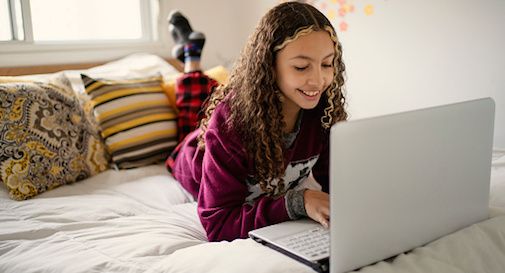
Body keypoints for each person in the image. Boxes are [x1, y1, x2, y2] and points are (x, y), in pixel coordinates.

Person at [166, 1, 347, 242]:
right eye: (302, 67)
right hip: (190, 155)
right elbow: (218, 224)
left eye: (327, 64)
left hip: (226, 126)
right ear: (269, 66)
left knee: (206, 100)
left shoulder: (323, 110)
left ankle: (191, 54)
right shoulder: (229, 123)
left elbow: (338, 183)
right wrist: (297, 201)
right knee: (192, 116)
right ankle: (191, 54)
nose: (318, 80)